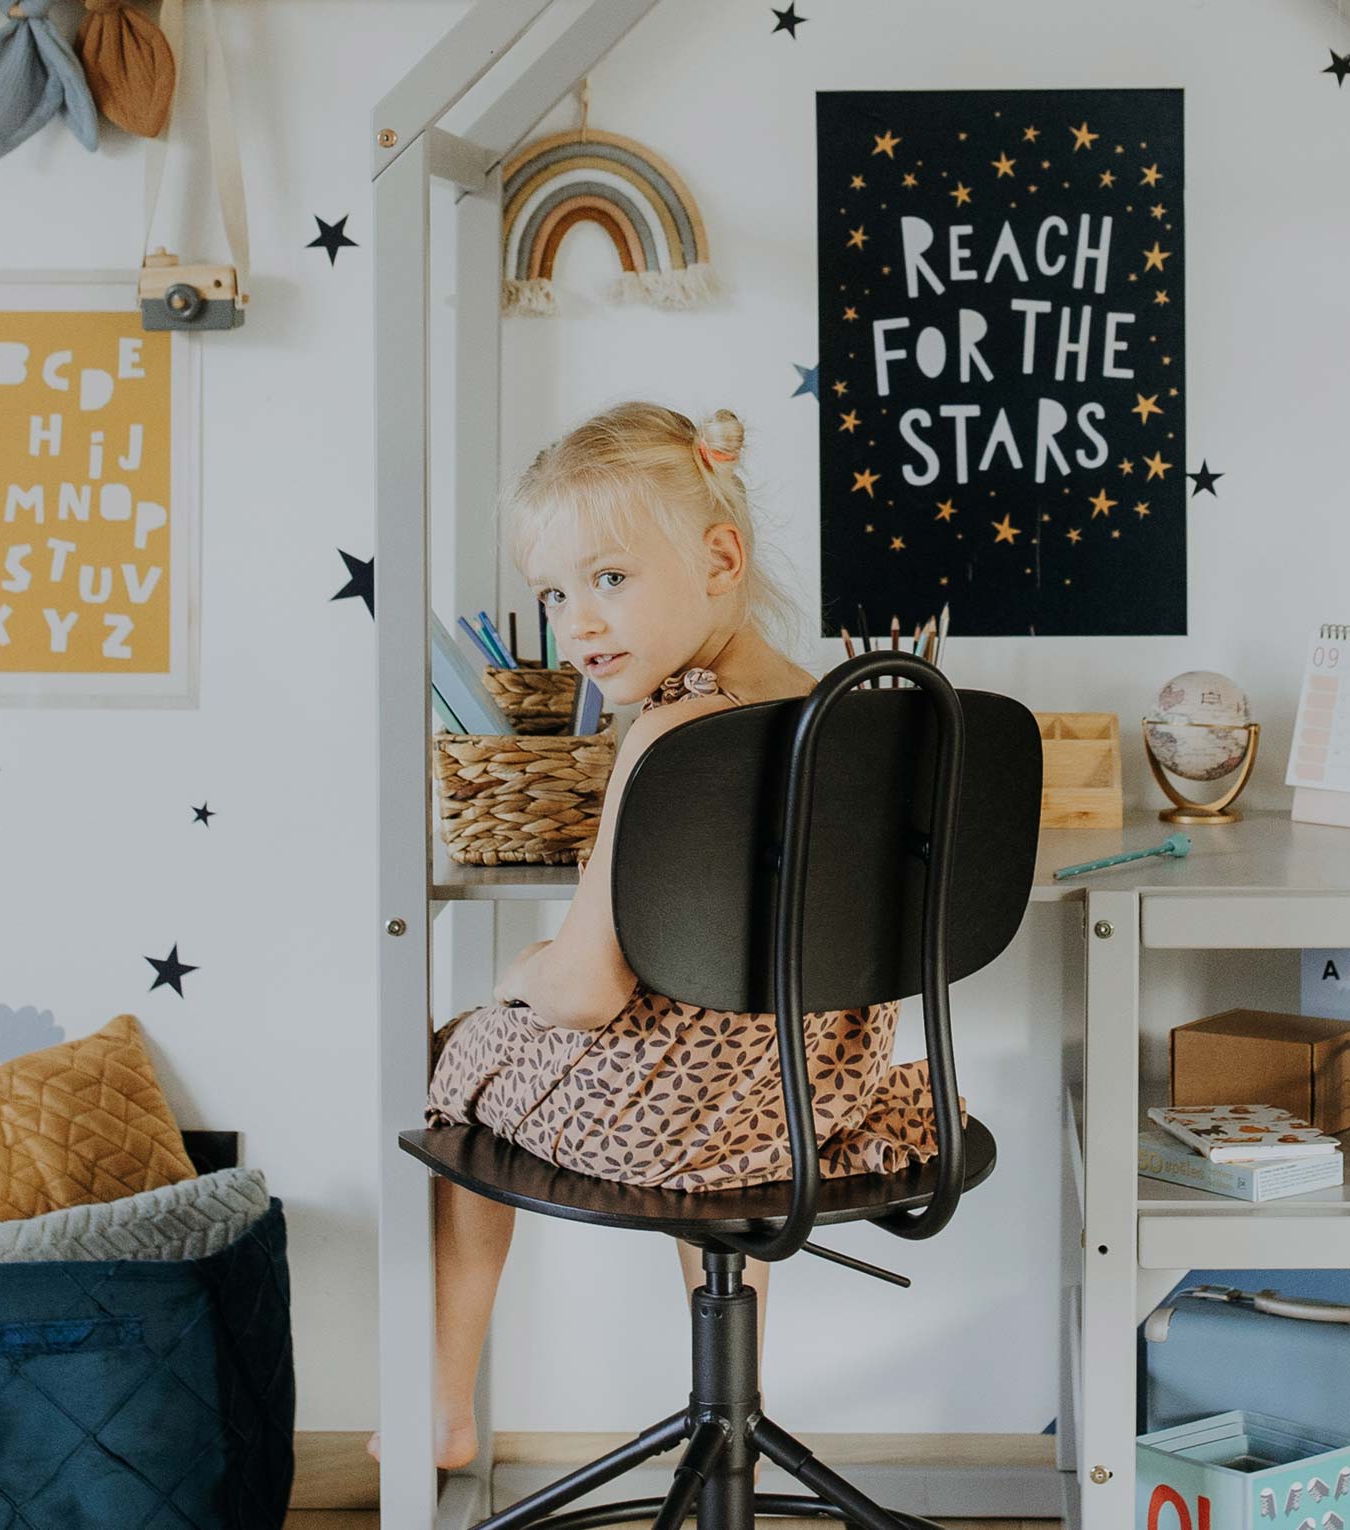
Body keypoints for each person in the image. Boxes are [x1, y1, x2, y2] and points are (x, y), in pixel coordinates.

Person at [367, 401, 957, 1473]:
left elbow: (588, 994)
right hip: (808, 1108)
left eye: (611, 577)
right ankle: (738, 1417)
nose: (579, 623)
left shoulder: (672, 734)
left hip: (675, 1130)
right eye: (556, 592)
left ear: (720, 557)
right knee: (705, 1064)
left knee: (458, 1051)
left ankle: (441, 1406)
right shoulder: (856, 712)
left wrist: (521, 976)